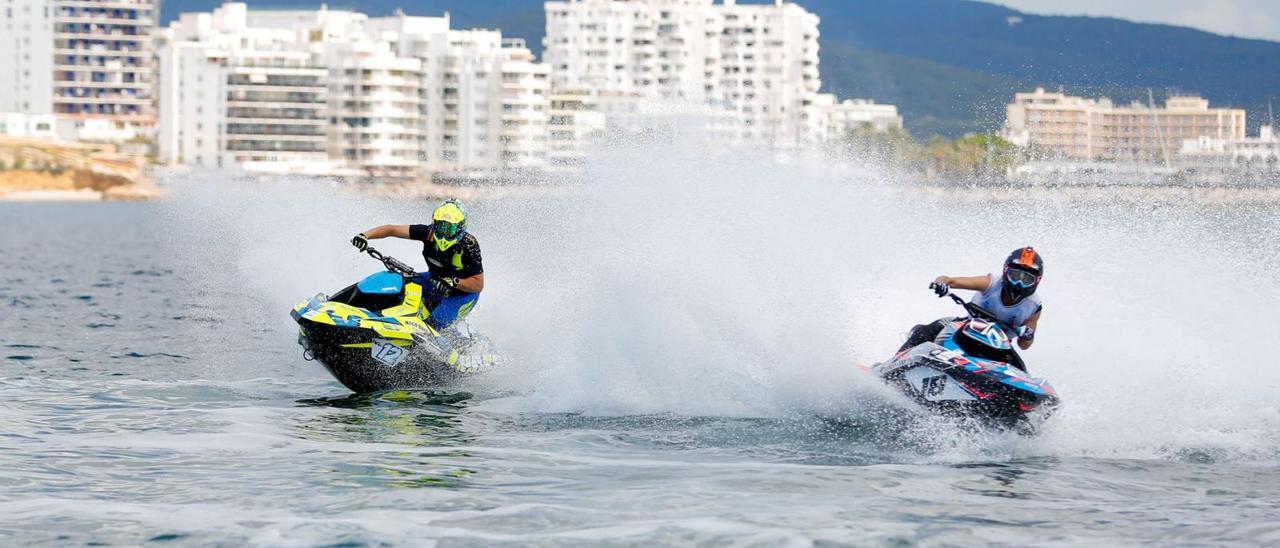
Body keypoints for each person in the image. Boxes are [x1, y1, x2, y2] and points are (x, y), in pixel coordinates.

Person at [899, 247, 1044, 369]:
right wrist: (940, 284)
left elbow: (1024, 345)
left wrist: (1028, 336)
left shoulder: (1034, 306)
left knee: (1020, 371)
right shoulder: (991, 283)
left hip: (998, 345)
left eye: (1026, 279)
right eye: (1015, 276)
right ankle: (894, 365)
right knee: (925, 331)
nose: (1019, 283)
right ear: (1005, 272)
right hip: (965, 329)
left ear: (1037, 281)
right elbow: (950, 280)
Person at [350, 199, 484, 330]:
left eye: (450, 228)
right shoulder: (427, 232)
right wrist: (364, 236)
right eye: (441, 226)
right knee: (397, 282)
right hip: (434, 281)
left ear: (460, 227)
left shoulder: (469, 245)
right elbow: (391, 229)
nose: (444, 233)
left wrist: (454, 282)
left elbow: (478, 284)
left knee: (433, 326)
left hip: (462, 294)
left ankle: (459, 345)